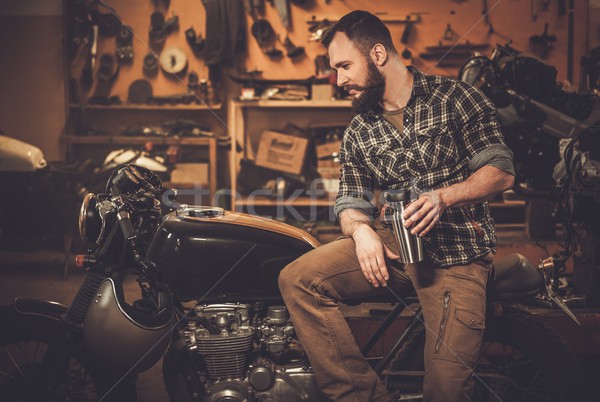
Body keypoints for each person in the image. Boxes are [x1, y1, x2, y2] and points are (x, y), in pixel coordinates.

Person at [278, 10, 516, 402]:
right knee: (298, 280)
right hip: (395, 249)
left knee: (446, 391)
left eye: (344, 66)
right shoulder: (359, 129)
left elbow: (500, 171)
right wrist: (362, 231)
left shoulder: (456, 98)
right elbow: (350, 200)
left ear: (377, 54)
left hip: (457, 258)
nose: (339, 81)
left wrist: (443, 196)